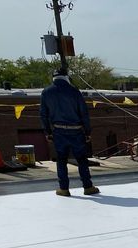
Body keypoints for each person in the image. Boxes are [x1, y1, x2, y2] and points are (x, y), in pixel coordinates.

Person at [40, 68, 99, 196]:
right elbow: (84, 113)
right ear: (66, 77)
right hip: (76, 131)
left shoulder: (46, 92)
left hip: (58, 132)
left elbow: (43, 115)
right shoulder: (74, 91)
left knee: (61, 160)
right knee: (82, 160)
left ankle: (64, 189)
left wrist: (47, 132)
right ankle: (88, 187)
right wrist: (88, 132)